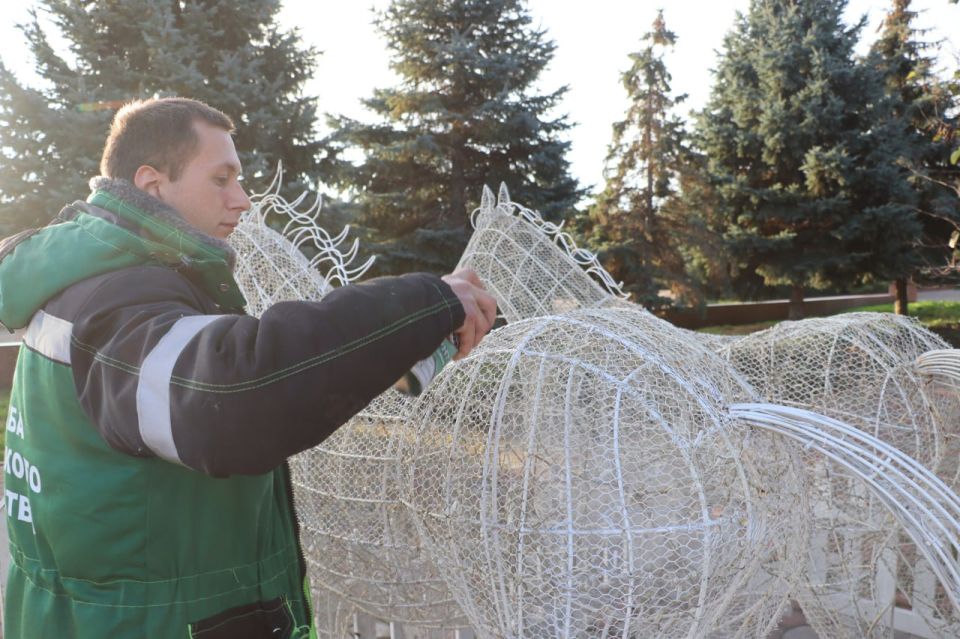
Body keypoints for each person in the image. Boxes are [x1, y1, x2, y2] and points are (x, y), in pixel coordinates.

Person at [0, 97, 497, 638]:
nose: (242, 199)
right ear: (152, 185)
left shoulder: (87, 275)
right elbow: (231, 393)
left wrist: (405, 343)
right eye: (221, 178)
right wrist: (419, 303)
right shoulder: (121, 296)